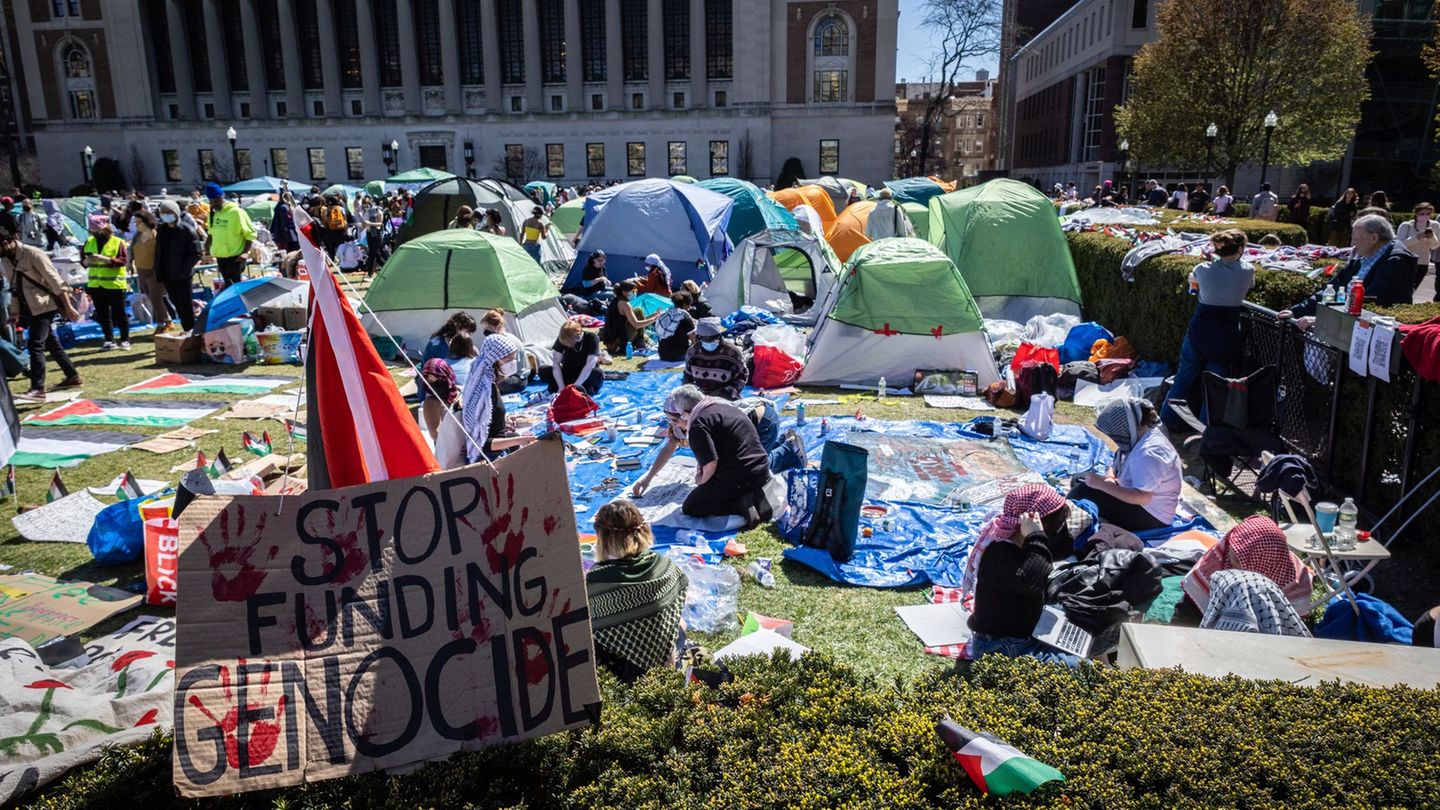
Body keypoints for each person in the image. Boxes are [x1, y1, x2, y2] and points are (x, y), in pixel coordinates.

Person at [964, 484, 1081, 666]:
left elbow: (1064, 547)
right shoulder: (999, 553)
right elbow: (1033, 582)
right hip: (1000, 646)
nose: (1057, 531)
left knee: (1080, 627)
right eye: (1055, 526)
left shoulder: (1022, 544)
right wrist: (1036, 535)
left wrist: (1036, 537)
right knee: (1081, 667)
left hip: (1022, 634)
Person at [631, 385, 778, 528]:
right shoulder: (725, 407)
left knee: (692, 506)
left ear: (684, 413)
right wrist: (648, 478)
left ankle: (741, 504)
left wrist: (700, 481)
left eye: (675, 420)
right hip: (762, 471)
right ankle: (751, 495)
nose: (675, 425)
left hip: (742, 476)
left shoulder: (698, 424)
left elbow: (710, 464)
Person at [585, 500, 689, 682]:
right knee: (680, 622)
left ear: (604, 538)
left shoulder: (598, 579)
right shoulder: (663, 564)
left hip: (632, 673)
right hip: (669, 655)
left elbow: (592, 625)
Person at [1161, 229, 1255, 430]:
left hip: (1200, 329)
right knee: (1214, 386)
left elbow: (1193, 282)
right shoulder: (1248, 271)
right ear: (1240, 248)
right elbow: (1248, 283)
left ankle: (1164, 421)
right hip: (1226, 332)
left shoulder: (1202, 269)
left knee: (1182, 379)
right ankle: (1205, 432)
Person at [1174, 515, 1313, 626]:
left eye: (1239, 559)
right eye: (1232, 549)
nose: (1229, 555)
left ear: (1261, 565)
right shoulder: (1222, 554)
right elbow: (1189, 606)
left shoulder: (1296, 582)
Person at [1279, 214, 1416, 327]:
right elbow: (1332, 288)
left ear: (1374, 238)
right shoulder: (1365, 256)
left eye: (1356, 238)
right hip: (1349, 324)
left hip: (1370, 331)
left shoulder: (1396, 262)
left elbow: (1371, 303)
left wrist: (1323, 320)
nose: (1352, 244)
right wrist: (1296, 311)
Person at [1069, 398, 1181, 532]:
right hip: (1136, 499)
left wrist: (1103, 485)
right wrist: (1110, 478)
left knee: (1082, 491)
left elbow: (1143, 497)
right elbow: (1117, 460)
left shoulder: (1149, 453)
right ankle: (1098, 516)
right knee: (1079, 479)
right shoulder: (1141, 436)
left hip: (1152, 516)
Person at [0, 230, 81, 401]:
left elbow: (56, 282)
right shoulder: (6, 260)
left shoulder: (34, 254)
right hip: (28, 307)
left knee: (35, 344)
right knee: (51, 343)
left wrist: (68, 307)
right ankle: (72, 376)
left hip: (45, 304)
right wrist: (15, 312)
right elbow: (14, 288)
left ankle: (38, 388)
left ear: (8, 241)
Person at [459, 332, 537, 463]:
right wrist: (520, 440)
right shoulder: (484, 393)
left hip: (497, 448)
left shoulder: (489, 383)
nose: (512, 363)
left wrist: (503, 422)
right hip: (489, 459)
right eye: (508, 360)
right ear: (494, 360)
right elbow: (482, 445)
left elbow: (489, 421)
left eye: (513, 359)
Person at [81, 214, 130, 350]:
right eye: (92, 230)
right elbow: (83, 261)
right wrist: (87, 261)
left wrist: (106, 260)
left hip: (114, 284)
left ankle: (125, 339)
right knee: (103, 314)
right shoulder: (89, 241)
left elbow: (123, 261)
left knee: (119, 313)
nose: (94, 233)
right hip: (96, 284)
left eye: (96, 230)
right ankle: (109, 340)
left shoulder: (118, 242)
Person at [153, 200, 200, 333]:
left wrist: (184, 269)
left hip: (183, 275)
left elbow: (196, 253)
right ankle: (187, 329)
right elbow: (159, 252)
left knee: (185, 305)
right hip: (167, 274)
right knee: (176, 303)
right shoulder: (161, 230)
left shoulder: (187, 230)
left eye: (169, 212)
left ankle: (191, 330)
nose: (166, 215)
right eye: (163, 212)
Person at [733, 396, 806, 473]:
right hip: (760, 411)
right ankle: (779, 444)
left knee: (751, 469)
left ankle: (788, 453)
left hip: (762, 421)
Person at [204, 183, 255, 287]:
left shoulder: (236, 212)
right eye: (211, 201)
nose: (213, 204)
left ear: (222, 197)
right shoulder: (214, 214)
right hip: (221, 256)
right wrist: (207, 245)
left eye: (216, 200)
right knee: (228, 285)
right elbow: (211, 232)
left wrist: (245, 252)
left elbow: (250, 234)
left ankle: (238, 303)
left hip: (235, 257)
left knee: (234, 286)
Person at [683, 318, 747, 400]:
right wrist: (689, 392)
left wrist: (729, 392)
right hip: (699, 397)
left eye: (713, 338)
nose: (709, 342)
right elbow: (687, 375)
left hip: (726, 397)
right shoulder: (692, 352)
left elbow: (742, 375)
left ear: (719, 336)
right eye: (705, 339)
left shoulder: (733, 353)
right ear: (699, 338)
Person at [128, 210, 169, 331]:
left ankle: (161, 325)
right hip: (141, 272)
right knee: (151, 299)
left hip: (155, 272)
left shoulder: (157, 235)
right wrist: (129, 263)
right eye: (135, 222)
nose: (137, 225)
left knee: (156, 299)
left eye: (139, 222)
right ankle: (168, 320)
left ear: (147, 221)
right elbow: (131, 250)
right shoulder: (137, 236)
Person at [601, 280, 660, 354]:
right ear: (624, 292)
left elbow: (641, 321)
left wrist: (655, 315)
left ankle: (640, 340)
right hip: (619, 341)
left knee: (638, 312)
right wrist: (654, 319)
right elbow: (636, 324)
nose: (635, 293)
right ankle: (640, 341)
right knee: (639, 310)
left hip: (614, 339)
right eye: (633, 291)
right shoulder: (624, 304)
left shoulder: (616, 300)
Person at [550, 319, 603, 394]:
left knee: (598, 373)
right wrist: (561, 386)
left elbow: (589, 365)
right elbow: (556, 363)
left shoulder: (592, 338)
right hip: (568, 372)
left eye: (568, 343)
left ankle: (580, 387)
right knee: (544, 371)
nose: (566, 345)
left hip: (585, 373)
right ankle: (568, 386)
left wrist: (575, 387)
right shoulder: (563, 338)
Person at [1398, 202, 1439, 299]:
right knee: (1403, 287)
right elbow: (1400, 244)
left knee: (1413, 288)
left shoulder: (1434, 225)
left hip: (1423, 262)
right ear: (1416, 214)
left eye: (1428, 214)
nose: (1425, 216)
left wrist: (1431, 237)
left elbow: (1434, 246)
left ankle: (1405, 305)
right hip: (1406, 261)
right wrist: (1417, 237)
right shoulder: (1406, 225)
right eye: (1422, 214)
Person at [420, 356, 459, 440]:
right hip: (448, 449)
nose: (431, 386)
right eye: (428, 381)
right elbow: (435, 434)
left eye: (437, 380)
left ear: (445, 375)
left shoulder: (456, 392)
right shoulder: (431, 402)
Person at [655, 290, 696, 361]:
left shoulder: (665, 314)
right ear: (685, 304)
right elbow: (694, 341)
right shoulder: (685, 317)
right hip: (679, 355)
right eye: (689, 305)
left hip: (662, 354)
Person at [361, 195, 385, 275]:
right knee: (375, 254)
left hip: (376, 233)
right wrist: (362, 225)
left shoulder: (378, 210)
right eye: (364, 203)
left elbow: (380, 223)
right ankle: (385, 267)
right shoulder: (365, 211)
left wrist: (370, 223)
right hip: (368, 233)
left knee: (372, 253)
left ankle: (370, 273)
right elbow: (364, 224)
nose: (365, 205)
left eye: (366, 203)